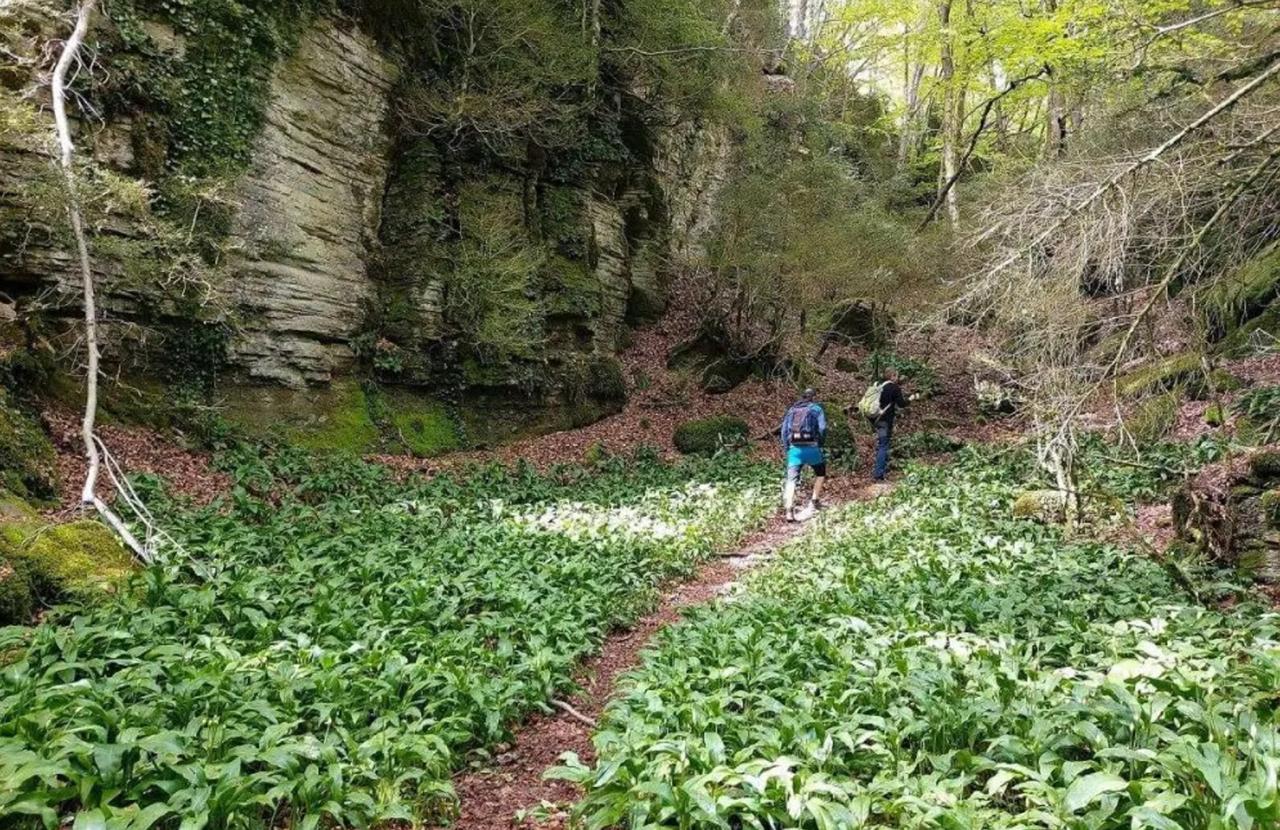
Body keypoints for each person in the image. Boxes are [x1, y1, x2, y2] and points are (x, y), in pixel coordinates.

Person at [780, 388, 827, 522]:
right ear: (813, 397)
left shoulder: (791, 410)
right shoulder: (817, 409)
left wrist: (787, 447)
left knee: (791, 480)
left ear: (802, 396)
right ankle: (814, 501)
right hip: (812, 448)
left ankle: (789, 510)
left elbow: (784, 431)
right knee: (820, 473)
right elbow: (823, 428)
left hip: (795, 450)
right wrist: (820, 443)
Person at [868, 368, 909, 481]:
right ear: (892, 376)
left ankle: (881, 469)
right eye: (896, 376)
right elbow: (901, 404)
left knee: (882, 443)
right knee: (883, 445)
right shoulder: (894, 388)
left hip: (877, 420)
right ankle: (878, 474)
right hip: (886, 421)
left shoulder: (879, 387)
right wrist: (911, 399)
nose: (897, 378)